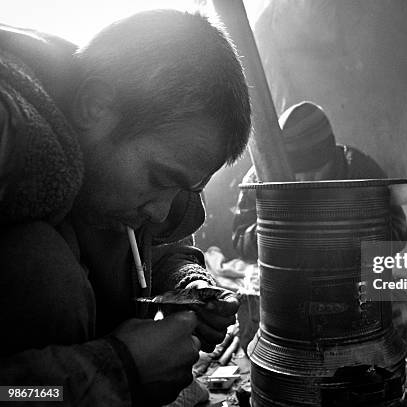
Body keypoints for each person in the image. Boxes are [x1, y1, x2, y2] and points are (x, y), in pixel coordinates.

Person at [0, 10, 250, 406]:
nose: (159, 212)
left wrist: (187, 286)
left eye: (182, 188)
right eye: (158, 179)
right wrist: (118, 369)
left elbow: (161, 241)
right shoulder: (9, 136)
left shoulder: (119, 172)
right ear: (95, 107)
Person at [232, 101, 407, 262]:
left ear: (332, 158)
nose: (306, 181)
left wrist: (346, 233)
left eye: (314, 172)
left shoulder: (361, 171)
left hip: (355, 279)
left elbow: (399, 232)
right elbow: (240, 243)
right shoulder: (262, 178)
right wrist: (272, 230)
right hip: (287, 283)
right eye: (297, 174)